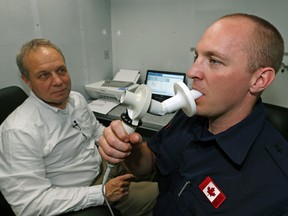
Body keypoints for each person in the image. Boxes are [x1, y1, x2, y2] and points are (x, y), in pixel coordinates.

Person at [98, 13, 288, 215]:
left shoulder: (276, 186)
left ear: (259, 79)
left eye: (214, 61)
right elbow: (153, 160)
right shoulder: (190, 115)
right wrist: (130, 149)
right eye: (197, 57)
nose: (192, 71)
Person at [0, 38, 158, 216]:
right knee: (164, 195)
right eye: (44, 75)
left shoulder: (76, 99)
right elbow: (29, 205)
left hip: (103, 164)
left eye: (61, 70)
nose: (58, 81)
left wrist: (114, 139)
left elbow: (95, 130)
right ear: (26, 80)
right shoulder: (18, 131)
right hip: (83, 191)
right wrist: (102, 193)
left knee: (161, 165)